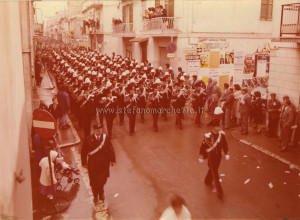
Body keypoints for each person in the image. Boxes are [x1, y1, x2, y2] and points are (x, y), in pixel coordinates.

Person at [81, 124, 116, 204]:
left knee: (102, 180)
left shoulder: (105, 138)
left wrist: (112, 160)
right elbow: (83, 151)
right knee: (94, 181)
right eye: (97, 131)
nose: (99, 132)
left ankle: (101, 192)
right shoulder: (88, 139)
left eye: (100, 130)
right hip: (93, 164)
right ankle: (96, 195)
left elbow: (110, 149)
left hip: (103, 164)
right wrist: (84, 162)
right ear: (94, 131)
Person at [199, 119, 229, 198]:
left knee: (213, 169)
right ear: (213, 127)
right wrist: (202, 155)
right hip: (211, 157)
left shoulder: (221, 135)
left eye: (219, 126)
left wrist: (226, 153)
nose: (218, 128)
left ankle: (207, 180)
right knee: (215, 173)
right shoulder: (208, 136)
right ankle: (220, 191)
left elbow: (225, 144)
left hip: (218, 156)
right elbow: (203, 146)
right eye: (217, 126)